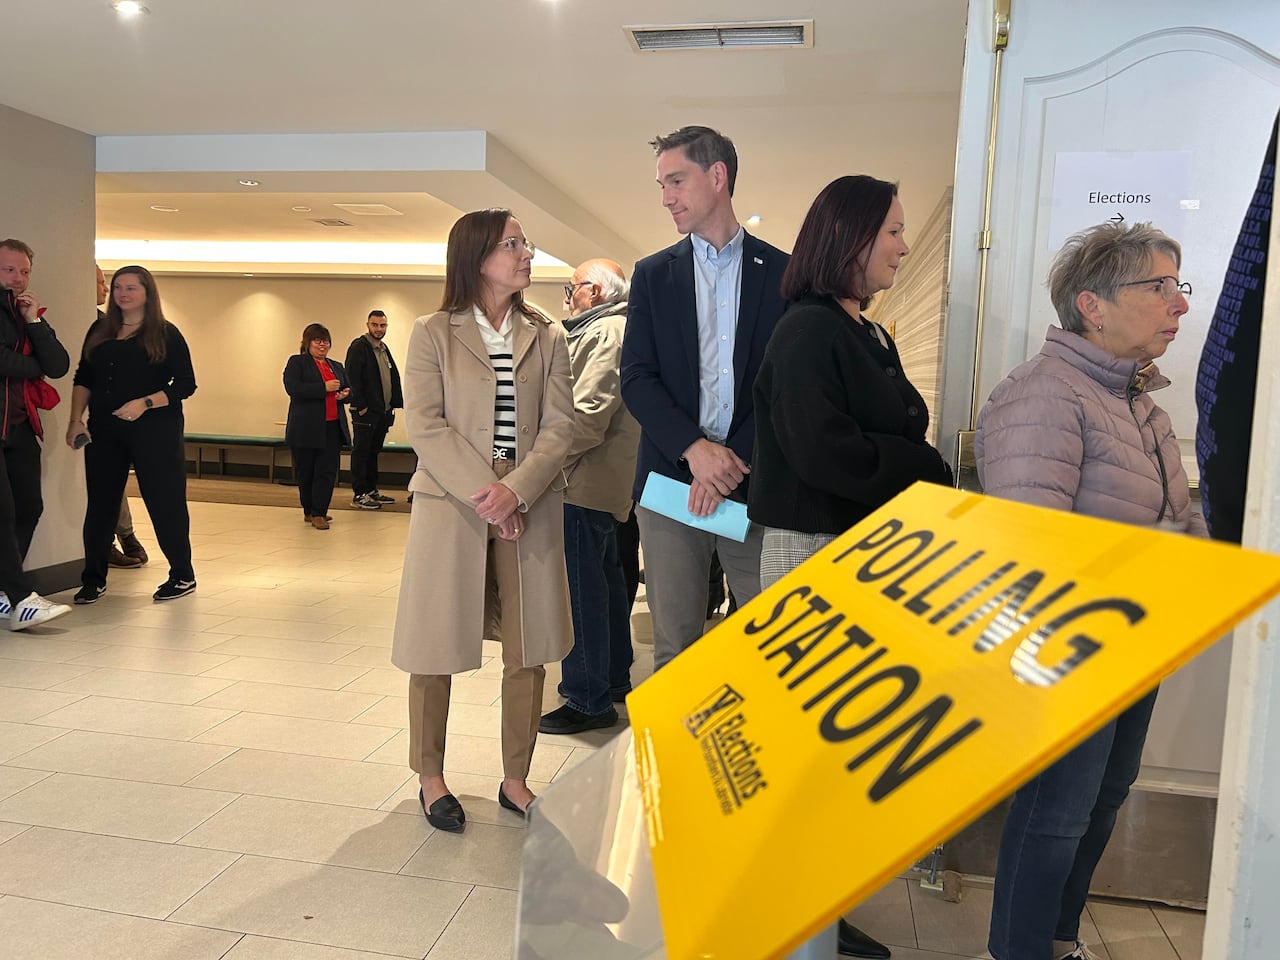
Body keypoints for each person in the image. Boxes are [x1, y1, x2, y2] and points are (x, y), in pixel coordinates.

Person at [975, 221, 1206, 960]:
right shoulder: (1043, 397)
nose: (1178, 306)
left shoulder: (1143, 406)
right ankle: (1018, 950)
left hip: (1133, 645)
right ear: (1093, 306)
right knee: (1055, 814)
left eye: (1180, 286)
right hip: (1068, 652)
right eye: (1159, 287)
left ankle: (1058, 941)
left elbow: (1178, 523)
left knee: (1101, 800)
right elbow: (1031, 551)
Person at [751, 175, 952, 960]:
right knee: (812, 753)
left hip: (857, 552)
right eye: (894, 232)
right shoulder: (806, 331)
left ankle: (819, 914)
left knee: (833, 756)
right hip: (815, 553)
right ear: (851, 238)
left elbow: (882, 432)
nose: (903, 246)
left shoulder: (866, 330)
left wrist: (912, 461)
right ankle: (797, 922)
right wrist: (923, 463)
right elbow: (824, 453)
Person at [390, 208, 574, 830]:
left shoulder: (548, 336)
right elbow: (427, 426)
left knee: (530, 648)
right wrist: (485, 492)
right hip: (453, 506)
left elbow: (560, 427)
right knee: (435, 644)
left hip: (528, 507)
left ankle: (516, 780)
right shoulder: (431, 333)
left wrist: (515, 491)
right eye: (513, 244)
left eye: (525, 243)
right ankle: (431, 776)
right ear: (476, 257)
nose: (527, 254)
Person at [620, 125, 788, 672]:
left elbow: (784, 385)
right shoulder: (652, 276)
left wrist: (727, 463)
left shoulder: (785, 274)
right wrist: (696, 451)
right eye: (661, 184)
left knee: (773, 645)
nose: (666, 197)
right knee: (675, 650)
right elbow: (638, 378)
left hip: (753, 483)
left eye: (676, 180)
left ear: (718, 177)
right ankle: (678, 759)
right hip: (671, 486)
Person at [539, 259, 640, 736]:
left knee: (583, 591)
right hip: (598, 482)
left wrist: (544, 465)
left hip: (582, 481)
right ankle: (612, 676)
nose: (568, 296)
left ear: (595, 291)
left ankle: (587, 697)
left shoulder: (607, 333)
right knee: (606, 582)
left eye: (571, 287)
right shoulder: (610, 329)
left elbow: (588, 415)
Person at [68, 265, 198, 604]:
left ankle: (182, 574)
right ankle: (93, 579)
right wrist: (74, 420)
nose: (123, 294)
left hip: (155, 428)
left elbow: (186, 384)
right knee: (101, 503)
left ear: (147, 293)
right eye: (118, 288)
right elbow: (84, 377)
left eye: (131, 288)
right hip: (104, 428)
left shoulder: (165, 333)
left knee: (163, 499)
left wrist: (145, 403)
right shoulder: (100, 329)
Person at [0, 239, 72, 629]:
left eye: (24, 271)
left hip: (19, 424)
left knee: (29, 507)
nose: (17, 278)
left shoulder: (27, 314)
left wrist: (33, 322)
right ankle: (20, 597)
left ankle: (3, 593)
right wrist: (32, 364)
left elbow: (57, 364)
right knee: (3, 512)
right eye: (9, 269)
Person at [91, 264, 149, 569]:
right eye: (102, 284)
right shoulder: (89, 327)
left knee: (111, 480)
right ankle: (110, 543)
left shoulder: (112, 325)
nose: (106, 291)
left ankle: (125, 536)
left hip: (113, 417)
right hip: (89, 417)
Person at [284, 323, 351, 530]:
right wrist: (323, 388)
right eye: (318, 341)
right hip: (306, 427)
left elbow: (349, 387)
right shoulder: (298, 362)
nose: (323, 345)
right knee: (306, 470)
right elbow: (293, 388)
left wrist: (345, 394)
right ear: (307, 342)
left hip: (332, 426)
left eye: (326, 341)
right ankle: (309, 510)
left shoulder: (336, 365)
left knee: (327, 471)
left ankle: (320, 512)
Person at [345, 308, 403, 510]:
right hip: (366, 412)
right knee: (361, 452)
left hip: (382, 412)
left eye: (383, 325)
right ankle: (359, 494)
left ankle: (371, 490)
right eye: (375, 325)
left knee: (373, 451)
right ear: (367, 325)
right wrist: (361, 405)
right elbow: (352, 378)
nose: (379, 329)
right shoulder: (359, 347)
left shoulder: (383, 348)